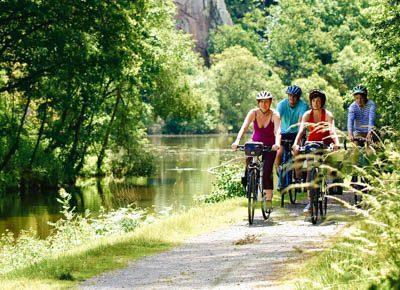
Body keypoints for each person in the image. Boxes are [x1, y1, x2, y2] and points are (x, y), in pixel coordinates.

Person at [292, 89, 340, 213]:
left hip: (325, 143)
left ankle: (329, 179)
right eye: (313, 100)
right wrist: (296, 143)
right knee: (309, 171)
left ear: (322, 102)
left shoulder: (328, 114)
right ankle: (310, 201)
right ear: (311, 102)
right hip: (311, 144)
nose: (316, 103)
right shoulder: (307, 115)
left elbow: (332, 130)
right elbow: (301, 131)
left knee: (329, 161)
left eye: (318, 101)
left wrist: (336, 143)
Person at [231, 91, 281, 208]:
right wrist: (237, 141)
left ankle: (268, 199)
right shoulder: (253, 113)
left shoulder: (275, 115)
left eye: (267, 102)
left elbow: (278, 131)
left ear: (270, 102)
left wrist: (277, 143)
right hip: (256, 143)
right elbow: (244, 127)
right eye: (262, 102)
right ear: (258, 103)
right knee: (248, 159)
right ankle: (248, 179)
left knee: (267, 170)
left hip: (270, 146)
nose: (264, 104)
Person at [275, 85, 308, 184]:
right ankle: (278, 169)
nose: (292, 99)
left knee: (297, 152)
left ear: (298, 97)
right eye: (290, 96)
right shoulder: (281, 104)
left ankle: (298, 177)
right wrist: (278, 133)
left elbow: (300, 122)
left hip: (296, 133)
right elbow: (278, 121)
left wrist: (298, 138)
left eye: (294, 96)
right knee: (279, 152)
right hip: (283, 133)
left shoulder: (303, 105)